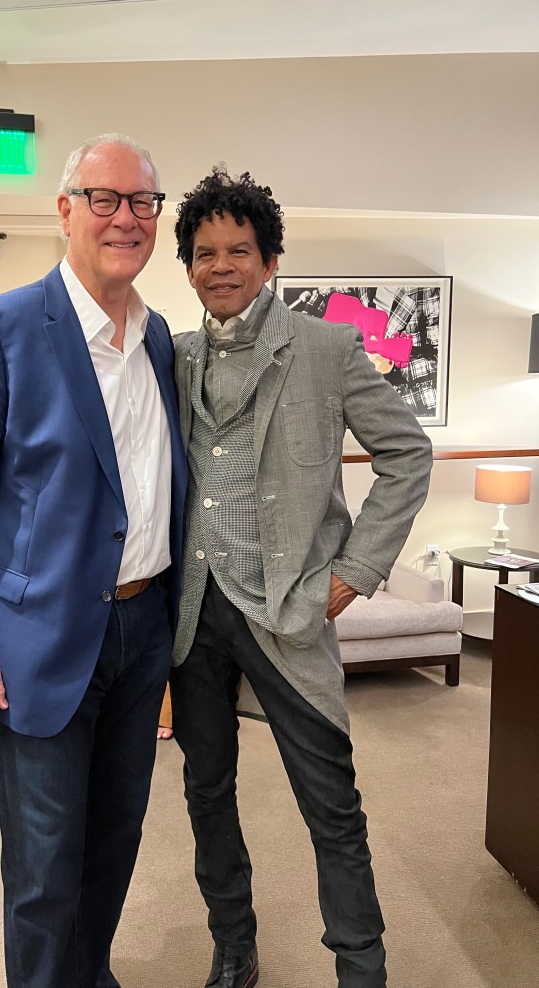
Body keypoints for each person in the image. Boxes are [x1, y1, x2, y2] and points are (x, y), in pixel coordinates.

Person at [0, 133, 187, 988]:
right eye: (105, 198)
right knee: (42, 869)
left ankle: (87, 975)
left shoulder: (159, 338)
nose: (127, 218)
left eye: (144, 201)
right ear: (64, 210)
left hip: (141, 629)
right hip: (38, 639)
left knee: (115, 839)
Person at [169, 166, 433, 988]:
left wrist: (355, 571)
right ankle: (234, 950)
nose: (222, 265)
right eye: (205, 252)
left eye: (238, 249)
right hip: (192, 613)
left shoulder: (328, 347)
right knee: (207, 794)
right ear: (187, 266)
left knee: (332, 804)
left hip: (288, 610)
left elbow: (407, 454)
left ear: (270, 258)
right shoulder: (169, 356)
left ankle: (362, 970)